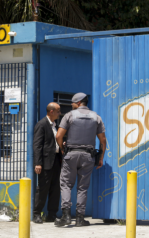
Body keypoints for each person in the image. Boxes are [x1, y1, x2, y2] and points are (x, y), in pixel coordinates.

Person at [55, 93, 106, 227]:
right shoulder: (96, 117)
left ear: (78, 103)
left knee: (66, 184)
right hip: (88, 156)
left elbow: (59, 135)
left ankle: (66, 216)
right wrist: (101, 157)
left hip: (71, 154)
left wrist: (62, 148)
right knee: (82, 188)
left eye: (72, 103)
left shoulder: (70, 115)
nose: (72, 105)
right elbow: (103, 140)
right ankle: (79, 219)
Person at [33, 102, 62, 223]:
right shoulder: (42, 124)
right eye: (58, 111)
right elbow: (37, 145)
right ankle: (36, 214)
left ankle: (52, 214)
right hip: (45, 162)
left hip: (56, 160)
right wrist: (38, 163)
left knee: (55, 188)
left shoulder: (55, 125)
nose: (60, 113)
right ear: (51, 112)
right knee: (43, 188)